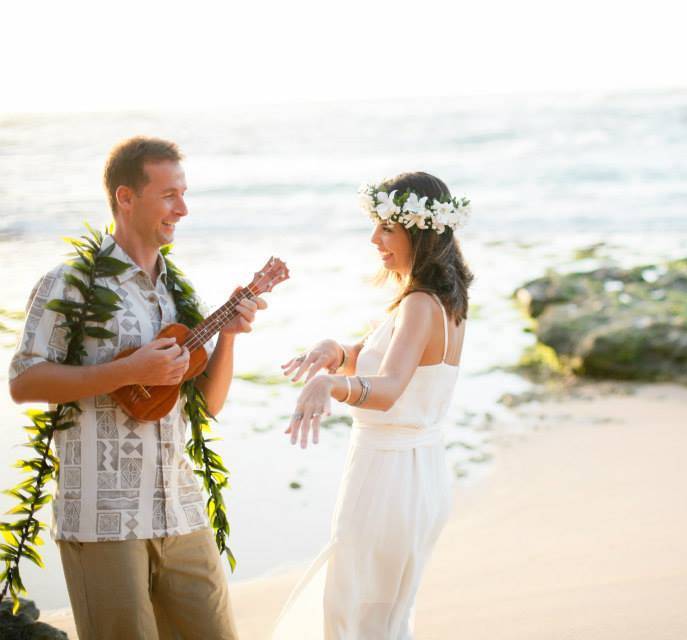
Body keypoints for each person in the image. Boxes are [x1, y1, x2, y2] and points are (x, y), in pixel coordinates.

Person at [7, 136, 266, 640]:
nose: (183, 209)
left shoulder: (178, 293)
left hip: (182, 507)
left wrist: (228, 340)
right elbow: (23, 381)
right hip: (104, 517)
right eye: (169, 195)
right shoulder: (70, 284)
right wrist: (126, 372)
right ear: (126, 197)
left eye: (184, 194)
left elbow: (206, 406)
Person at [272, 172, 473, 639]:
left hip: (388, 475)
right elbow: (367, 358)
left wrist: (330, 387)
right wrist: (334, 353)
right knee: (379, 612)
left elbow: (388, 389)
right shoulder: (441, 301)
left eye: (386, 227)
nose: (374, 239)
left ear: (418, 232)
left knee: (355, 612)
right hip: (417, 472)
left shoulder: (421, 304)